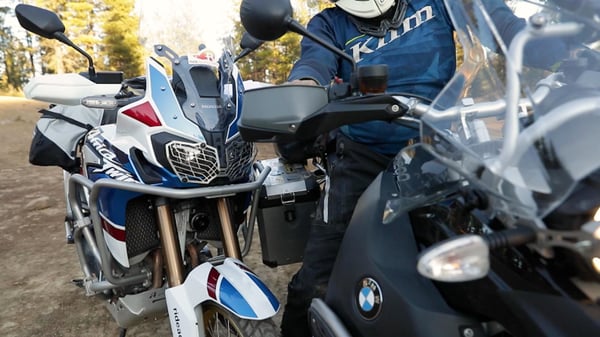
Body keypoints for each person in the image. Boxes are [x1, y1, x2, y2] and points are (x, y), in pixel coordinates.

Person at [278, 0, 568, 336]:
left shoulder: (442, 2)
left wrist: (571, 49)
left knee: (508, 256)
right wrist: (302, 91)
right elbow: (313, 64)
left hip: (439, 149)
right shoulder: (329, 24)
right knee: (315, 280)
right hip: (361, 157)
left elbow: (508, 32)